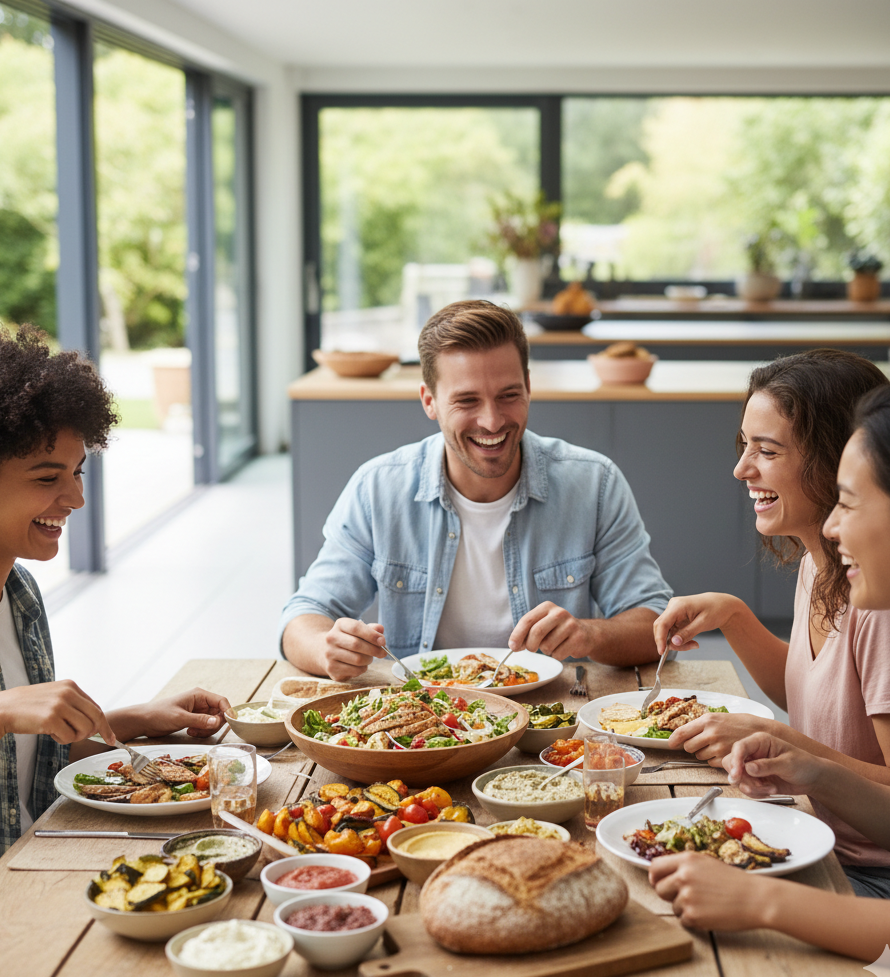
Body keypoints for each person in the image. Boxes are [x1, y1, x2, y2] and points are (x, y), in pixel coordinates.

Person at [0, 328, 231, 941]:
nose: (76, 498)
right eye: (47, 478)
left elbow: (18, 771)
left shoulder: (20, 594)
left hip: (28, 878)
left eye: (78, 472)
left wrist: (132, 721)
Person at [281, 300, 673, 680]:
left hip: (551, 714)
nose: (492, 421)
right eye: (467, 400)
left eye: (508, 395)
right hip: (424, 717)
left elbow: (656, 623)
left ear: (528, 387)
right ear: (430, 401)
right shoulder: (378, 488)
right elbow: (303, 617)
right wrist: (326, 648)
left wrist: (590, 634)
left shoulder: (594, 484)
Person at [649, 386, 890, 957]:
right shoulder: (823, 569)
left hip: (866, 877)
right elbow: (815, 693)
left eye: (767, 449)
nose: (741, 469)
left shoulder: (879, 610)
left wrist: (763, 901)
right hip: (827, 843)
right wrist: (735, 616)